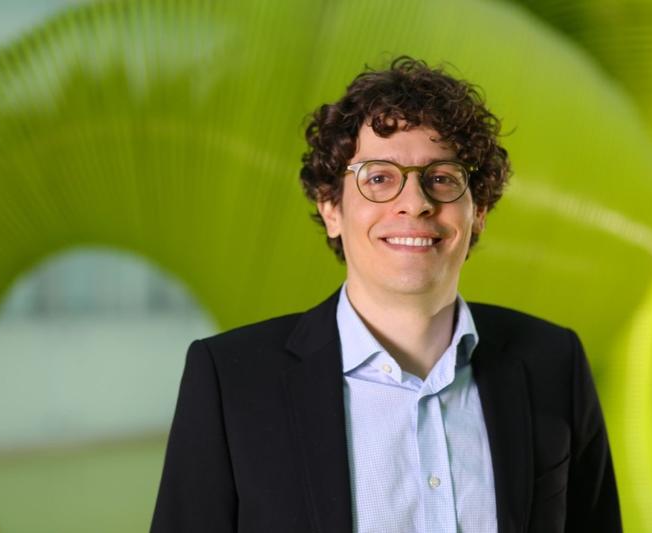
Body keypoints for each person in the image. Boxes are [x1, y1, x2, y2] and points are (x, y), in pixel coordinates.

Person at [151, 56, 621, 533]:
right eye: (378, 178)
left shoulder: (553, 364)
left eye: (442, 177)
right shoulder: (232, 382)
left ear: (477, 211)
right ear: (331, 208)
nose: (415, 203)